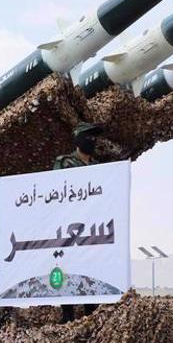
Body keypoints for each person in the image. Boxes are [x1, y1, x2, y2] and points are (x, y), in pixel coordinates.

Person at [54, 122, 103, 323]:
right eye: (87, 137)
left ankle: (90, 313)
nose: (91, 141)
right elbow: (56, 190)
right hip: (69, 228)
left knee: (90, 270)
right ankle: (68, 315)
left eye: (94, 138)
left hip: (91, 229)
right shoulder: (64, 163)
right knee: (69, 270)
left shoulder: (98, 167)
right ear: (77, 139)